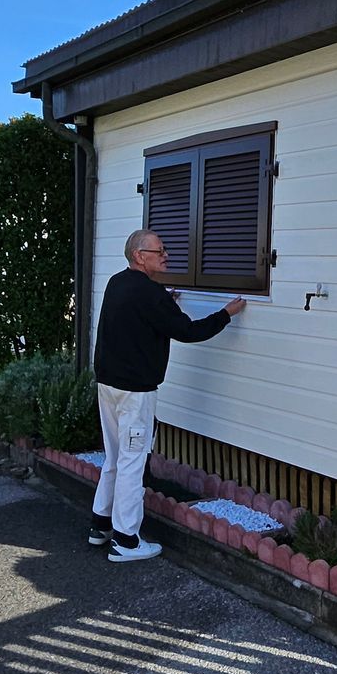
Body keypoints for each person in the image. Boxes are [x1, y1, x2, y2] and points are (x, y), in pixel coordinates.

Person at [90, 229, 245, 562]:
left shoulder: (119, 283)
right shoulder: (150, 294)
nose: (166, 255)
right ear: (138, 255)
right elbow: (188, 331)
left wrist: (165, 302)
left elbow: (144, 314)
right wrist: (226, 314)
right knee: (133, 463)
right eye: (159, 251)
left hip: (108, 386)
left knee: (115, 459)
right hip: (135, 393)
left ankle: (100, 526)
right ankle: (126, 541)